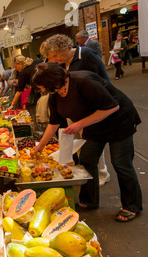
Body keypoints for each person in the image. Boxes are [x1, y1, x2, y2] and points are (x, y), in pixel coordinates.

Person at [31, 62, 142, 222]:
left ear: (51, 81)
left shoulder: (83, 82)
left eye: (40, 86)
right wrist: (40, 147)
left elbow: (112, 106)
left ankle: (132, 205)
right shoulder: (55, 94)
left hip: (119, 121)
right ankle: (90, 200)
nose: (39, 90)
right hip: (94, 125)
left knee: (121, 163)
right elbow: (54, 122)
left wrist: (79, 124)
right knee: (87, 159)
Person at [41, 34, 111, 185]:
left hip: (91, 109)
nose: (54, 59)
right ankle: (86, 172)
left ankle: (102, 173)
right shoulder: (61, 63)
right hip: (73, 108)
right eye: (52, 56)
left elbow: (103, 80)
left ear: (67, 48)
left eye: (56, 55)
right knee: (79, 144)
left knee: (93, 144)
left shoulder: (86, 55)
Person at [8, 55, 43, 123]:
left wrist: (12, 105)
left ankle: (38, 127)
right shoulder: (35, 63)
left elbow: (19, 91)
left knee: (34, 108)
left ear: (21, 63)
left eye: (16, 66)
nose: (16, 68)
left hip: (40, 91)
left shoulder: (23, 73)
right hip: (48, 88)